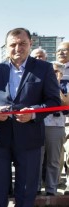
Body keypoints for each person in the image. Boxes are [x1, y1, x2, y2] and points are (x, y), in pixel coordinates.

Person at [0, 27, 61, 207]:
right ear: (6, 47)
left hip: (29, 137)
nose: (17, 48)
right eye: (13, 45)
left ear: (30, 44)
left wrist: (34, 113)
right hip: (1, 135)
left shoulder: (43, 69)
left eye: (22, 44)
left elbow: (54, 102)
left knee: (26, 184)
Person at [36, 61, 67, 196]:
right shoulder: (40, 84)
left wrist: (57, 86)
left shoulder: (65, 86)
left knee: (53, 160)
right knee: (37, 159)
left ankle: (51, 189)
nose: (53, 74)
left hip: (56, 126)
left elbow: (66, 107)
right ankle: (36, 188)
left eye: (56, 71)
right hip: (39, 124)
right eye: (52, 71)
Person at [56, 41, 69, 194]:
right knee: (57, 158)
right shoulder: (50, 69)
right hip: (54, 120)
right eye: (58, 50)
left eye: (64, 50)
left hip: (67, 119)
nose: (61, 53)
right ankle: (55, 184)